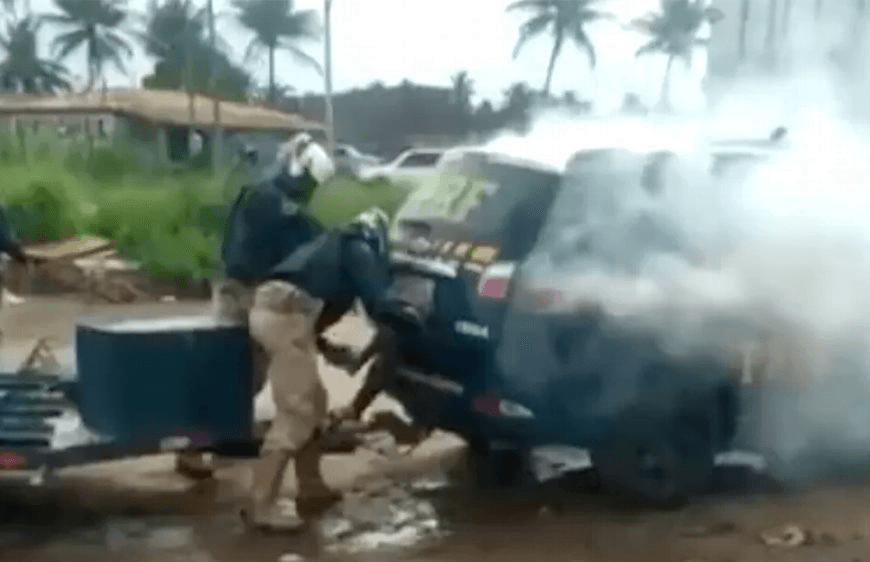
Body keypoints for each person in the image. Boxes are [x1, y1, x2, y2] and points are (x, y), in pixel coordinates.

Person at [238, 206, 394, 533]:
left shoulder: (330, 244)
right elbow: (382, 310)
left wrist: (327, 348)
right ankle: (260, 505)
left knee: (315, 401)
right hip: (286, 315)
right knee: (297, 412)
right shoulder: (359, 248)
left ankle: (312, 487)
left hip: (275, 311)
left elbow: (309, 305)